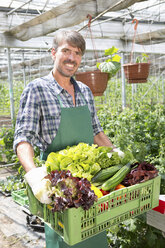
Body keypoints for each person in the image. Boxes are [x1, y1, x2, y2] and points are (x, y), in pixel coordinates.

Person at [13, 29, 123, 248]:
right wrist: (34, 175)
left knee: (95, 237)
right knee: (64, 241)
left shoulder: (84, 91)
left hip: (90, 187)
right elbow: (23, 138)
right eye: (66, 51)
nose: (72, 58)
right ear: (53, 53)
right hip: (60, 190)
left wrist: (116, 153)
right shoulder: (37, 89)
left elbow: (96, 132)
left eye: (77, 53)